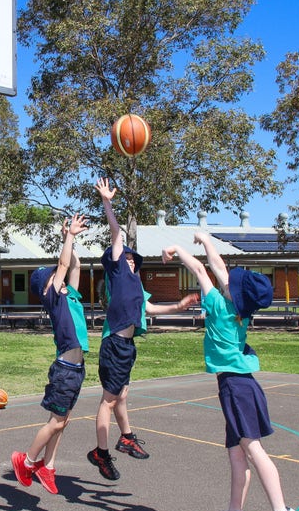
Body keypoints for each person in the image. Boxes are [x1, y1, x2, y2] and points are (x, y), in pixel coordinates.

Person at [162, 232, 298, 511]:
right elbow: (216, 266)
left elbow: (200, 269)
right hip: (239, 384)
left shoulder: (218, 306)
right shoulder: (240, 310)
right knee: (236, 453)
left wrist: (181, 248)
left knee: (252, 450)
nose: (226, 280)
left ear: (233, 293)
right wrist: (205, 239)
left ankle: (282, 510)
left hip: (236, 387)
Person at [87, 178, 199, 481]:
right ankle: (101, 452)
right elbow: (115, 232)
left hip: (128, 347)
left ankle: (126, 438)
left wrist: (178, 306)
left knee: (121, 395)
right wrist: (107, 201)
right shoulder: (117, 272)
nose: (130, 260)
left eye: (133, 259)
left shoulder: (136, 285)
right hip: (114, 344)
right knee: (109, 400)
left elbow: (149, 310)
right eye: (125, 256)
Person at [11, 213, 90, 494]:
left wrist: (68, 238)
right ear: (47, 287)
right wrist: (69, 236)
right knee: (57, 420)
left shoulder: (71, 295)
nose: (61, 276)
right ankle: (27, 460)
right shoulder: (54, 298)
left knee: (62, 421)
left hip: (77, 369)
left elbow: (74, 264)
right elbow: (64, 263)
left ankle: (48, 466)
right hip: (65, 370)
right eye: (54, 276)